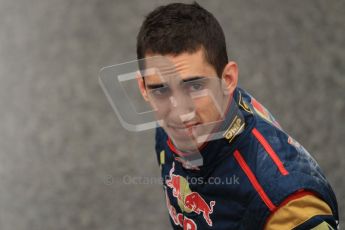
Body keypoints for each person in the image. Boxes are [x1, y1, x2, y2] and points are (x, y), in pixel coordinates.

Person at [135, 2, 339, 229]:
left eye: (194, 87)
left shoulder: (285, 206)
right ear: (144, 88)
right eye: (161, 89)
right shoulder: (170, 125)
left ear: (228, 79)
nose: (178, 113)